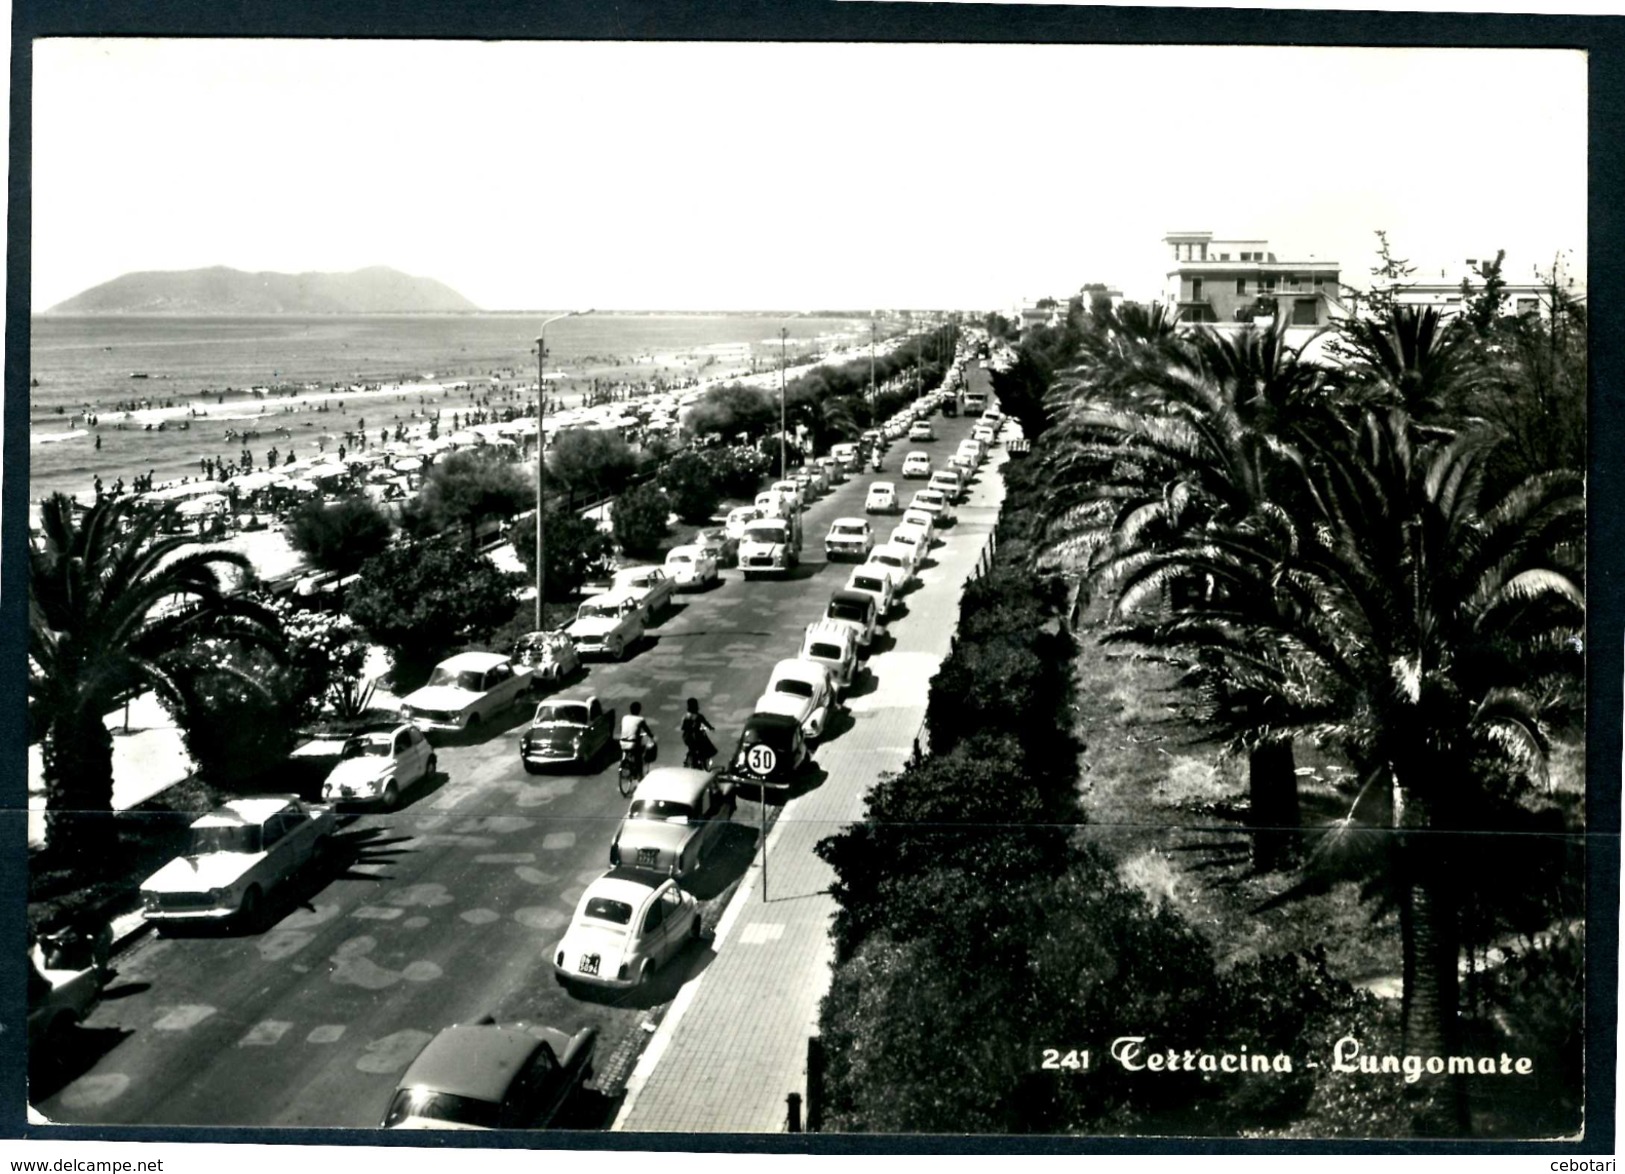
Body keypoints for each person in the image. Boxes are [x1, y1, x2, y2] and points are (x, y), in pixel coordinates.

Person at [619, 701, 656, 777]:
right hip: (632, 743)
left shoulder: (625, 718)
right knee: (638, 755)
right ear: (639, 710)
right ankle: (640, 775)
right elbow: (646, 730)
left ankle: (623, 763)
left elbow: (621, 728)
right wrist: (651, 736)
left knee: (626, 750)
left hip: (622, 742)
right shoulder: (640, 719)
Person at [680, 697, 717, 769]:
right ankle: (703, 764)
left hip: (687, 737)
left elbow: (683, 727)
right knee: (705, 747)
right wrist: (711, 728)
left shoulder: (685, 716)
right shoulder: (699, 716)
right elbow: (706, 723)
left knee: (691, 748)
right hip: (697, 737)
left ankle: (688, 760)